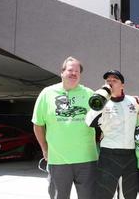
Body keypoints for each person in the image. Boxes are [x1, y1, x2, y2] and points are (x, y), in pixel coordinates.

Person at [32, 56, 98, 199]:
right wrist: (44, 148)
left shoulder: (90, 94)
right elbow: (38, 124)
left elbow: (106, 117)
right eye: (70, 70)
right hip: (58, 160)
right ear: (62, 72)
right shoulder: (47, 93)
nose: (73, 73)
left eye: (77, 71)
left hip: (87, 160)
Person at [85, 69, 139, 199]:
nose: (111, 83)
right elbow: (89, 122)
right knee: (104, 193)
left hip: (130, 154)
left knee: (129, 193)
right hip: (109, 153)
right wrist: (101, 100)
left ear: (122, 85)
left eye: (114, 80)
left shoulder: (134, 101)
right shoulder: (101, 102)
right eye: (108, 81)